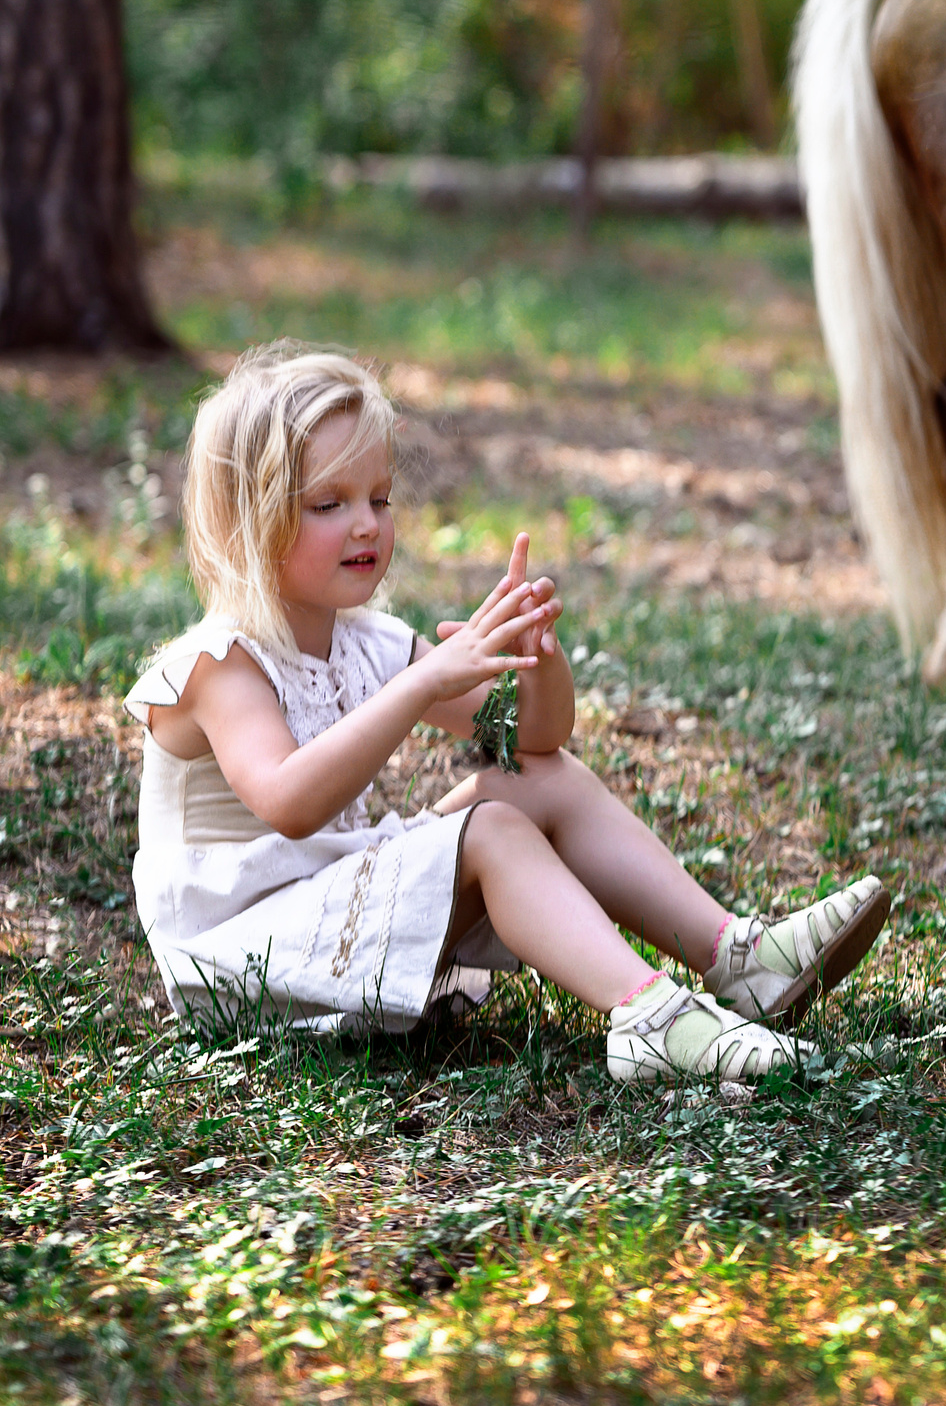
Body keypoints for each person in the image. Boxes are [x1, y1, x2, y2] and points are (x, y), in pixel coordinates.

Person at [123, 342, 888, 1080]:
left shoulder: (366, 642)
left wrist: (537, 658)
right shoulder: (219, 665)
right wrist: (420, 687)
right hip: (239, 963)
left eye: (380, 497)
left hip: (323, 915)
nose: (367, 523)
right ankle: (650, 1015)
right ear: (251, 522)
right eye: (330, 502)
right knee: (487, 829)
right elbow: (288, 800)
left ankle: (738, 957)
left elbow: (538, 740)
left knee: (530, 781)